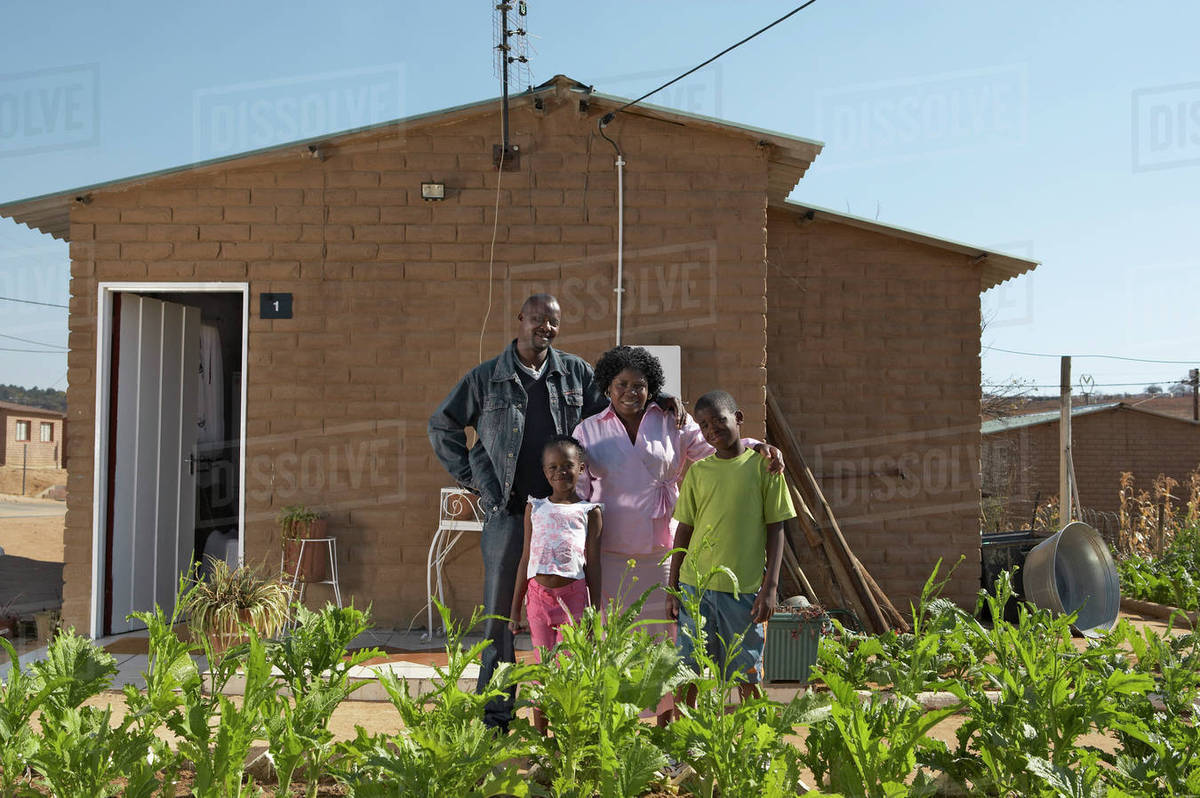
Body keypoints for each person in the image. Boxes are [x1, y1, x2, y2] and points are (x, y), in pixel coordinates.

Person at [428, 294, 680, 730]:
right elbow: (442, 425)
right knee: (501, 618)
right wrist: (477, 477)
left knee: (577, 620)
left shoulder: (576, 372)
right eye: (538, 319)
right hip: (510, 514)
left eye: (553, 322)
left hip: (569, 516)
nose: (545, 327)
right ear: (520, 319)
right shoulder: (486, 378)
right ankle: (495, 717)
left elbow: (618, 410)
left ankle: (569, 713)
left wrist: (661, 401)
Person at [573, 346, 783, 724]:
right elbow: (580, 492)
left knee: (669, 644)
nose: (630, 392)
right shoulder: (588, 429)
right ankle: (619, 722)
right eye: (622, 384)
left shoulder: (670, 419)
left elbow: (716, 446)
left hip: (662, 552)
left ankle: (668, 722)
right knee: (618, 639)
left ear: (651, 387)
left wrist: (759, 446)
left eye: (639, 385)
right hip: (611, 554)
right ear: (607, 386)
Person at [668, 390, 797, 701]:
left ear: (738, 419)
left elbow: (776, 529)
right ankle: (687, 738)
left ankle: (751, 742)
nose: (712, 430)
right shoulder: (698, 472)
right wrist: (673, 587)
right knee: (689, 669)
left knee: (746, 670)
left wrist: (770, 588)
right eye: (704, 426)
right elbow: (683, 531)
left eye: (719, 421)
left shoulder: (765, 467)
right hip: (694, 588)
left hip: (745, 591)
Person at [508, 435, 602, 734]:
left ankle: (568, 739)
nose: (560, 472)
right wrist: (514, 609)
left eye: (568, 465)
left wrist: (595, 612)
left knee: (568, 671)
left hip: (572, 600)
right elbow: (525, 559)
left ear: (582, 468)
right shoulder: (535, 508)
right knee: (541, 670)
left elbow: (594, 565)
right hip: (537, 600)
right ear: (545, 472)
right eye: (553, 467)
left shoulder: (590, 512)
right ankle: (541, 739)